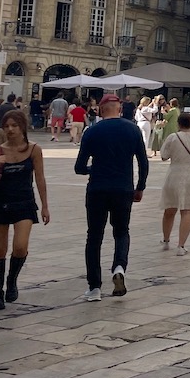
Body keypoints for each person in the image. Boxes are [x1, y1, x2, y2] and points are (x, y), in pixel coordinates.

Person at [74, 95, 148, 302]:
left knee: (94, 236)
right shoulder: (133, 130)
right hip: (123, 188)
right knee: (122, 231)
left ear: (100, 109)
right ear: (119, 108)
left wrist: (93, 168)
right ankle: (119, 267)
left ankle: (94, 288)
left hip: (97, 188)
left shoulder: (92, 131)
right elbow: (143, 162)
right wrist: (140, 187)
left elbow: (79, 167)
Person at [0, 110, 50, 310]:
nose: (10, 129)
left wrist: (45, 205)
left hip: (24, 202)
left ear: (22, 127)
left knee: (20, 246)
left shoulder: (33, 149)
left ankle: (12, 279)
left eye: (14, 125)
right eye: (6, 126)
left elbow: (40, 178)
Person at [159, 114, 190, 256]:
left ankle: (166, 240)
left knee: (169, 209)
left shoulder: (173, 137)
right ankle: (181, 246)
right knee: (187, 211)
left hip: (174, 176)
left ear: (178, 123)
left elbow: (164, 156)